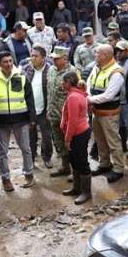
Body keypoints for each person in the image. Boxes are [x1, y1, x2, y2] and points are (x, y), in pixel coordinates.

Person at [0, 51, 36, 192]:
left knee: (26, 148)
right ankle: (6, 179)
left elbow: (29, 97)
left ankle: (29, 174)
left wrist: (32, 118)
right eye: (5, 62)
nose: (8, 64)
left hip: (21, 119)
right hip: (1, 122)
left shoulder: (20, 75)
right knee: (3, 152)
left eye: (10, 61)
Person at [87, 44, 126, 183]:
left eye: (97, 53)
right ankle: (104, 164)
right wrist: (89, 97)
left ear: (105, 55)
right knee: (100, 140)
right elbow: (89, 83)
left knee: (113, 141)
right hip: (96, 112)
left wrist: (89, 100)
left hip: (109, 114)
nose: (95, 56)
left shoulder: (116, 72)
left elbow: (109, 95)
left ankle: (118, 169)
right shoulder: (97, 67)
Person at [47, 46, 80, 177]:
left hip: (67, 115)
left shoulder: (74, 72)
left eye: (57, 58)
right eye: (53, 58)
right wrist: (48, 109)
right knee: (59, 142)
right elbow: (49, 91)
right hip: (54, 114)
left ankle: (75, 170)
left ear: (65, 58)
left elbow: (77, 94)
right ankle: (65, 166)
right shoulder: (51, 70)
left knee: (71, 143)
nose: (54, 60)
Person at [60, 71, 92, 204]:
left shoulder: (73, 96)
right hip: (79, 131)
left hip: (78, 133)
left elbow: (72, 120)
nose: (61, 84)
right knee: (74, 160)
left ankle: (86, 192)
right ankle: (76, 188)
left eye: (63, 81)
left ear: (69, 82)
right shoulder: (77, 93)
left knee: (81, 161)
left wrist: (67, 139)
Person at [23, 44, 53, 168]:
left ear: (43, 58)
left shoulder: (50, 70)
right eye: (32, 56)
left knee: (47, 136)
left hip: (45, 109)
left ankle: (47, 157)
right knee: (31, 137)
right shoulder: (26, 69)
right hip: (30, 110)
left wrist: (50, 108)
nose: (33, 58)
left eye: (36, 56)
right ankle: (32, 158)